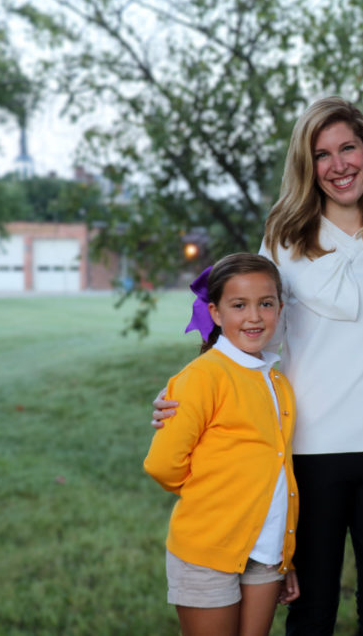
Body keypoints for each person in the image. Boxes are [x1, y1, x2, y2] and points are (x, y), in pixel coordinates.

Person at [154, 97, 363, 635]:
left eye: (348, 147)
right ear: (308, 165)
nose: (338, 164)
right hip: (305, 450)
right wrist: (185, 395)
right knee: (309, 611)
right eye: (321, 154)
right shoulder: (284, 237)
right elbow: (244, 329)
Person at [144, 253, 300, 636]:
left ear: (280, 308)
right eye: (239, 305)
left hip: (264, 553)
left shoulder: (277, 381)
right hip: (208, 549)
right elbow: (162, 464)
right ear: (215, 313)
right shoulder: (203, 376)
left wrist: (285, 554)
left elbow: (277, 472)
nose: (254, 316)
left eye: (266, 304)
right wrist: (212, 494)